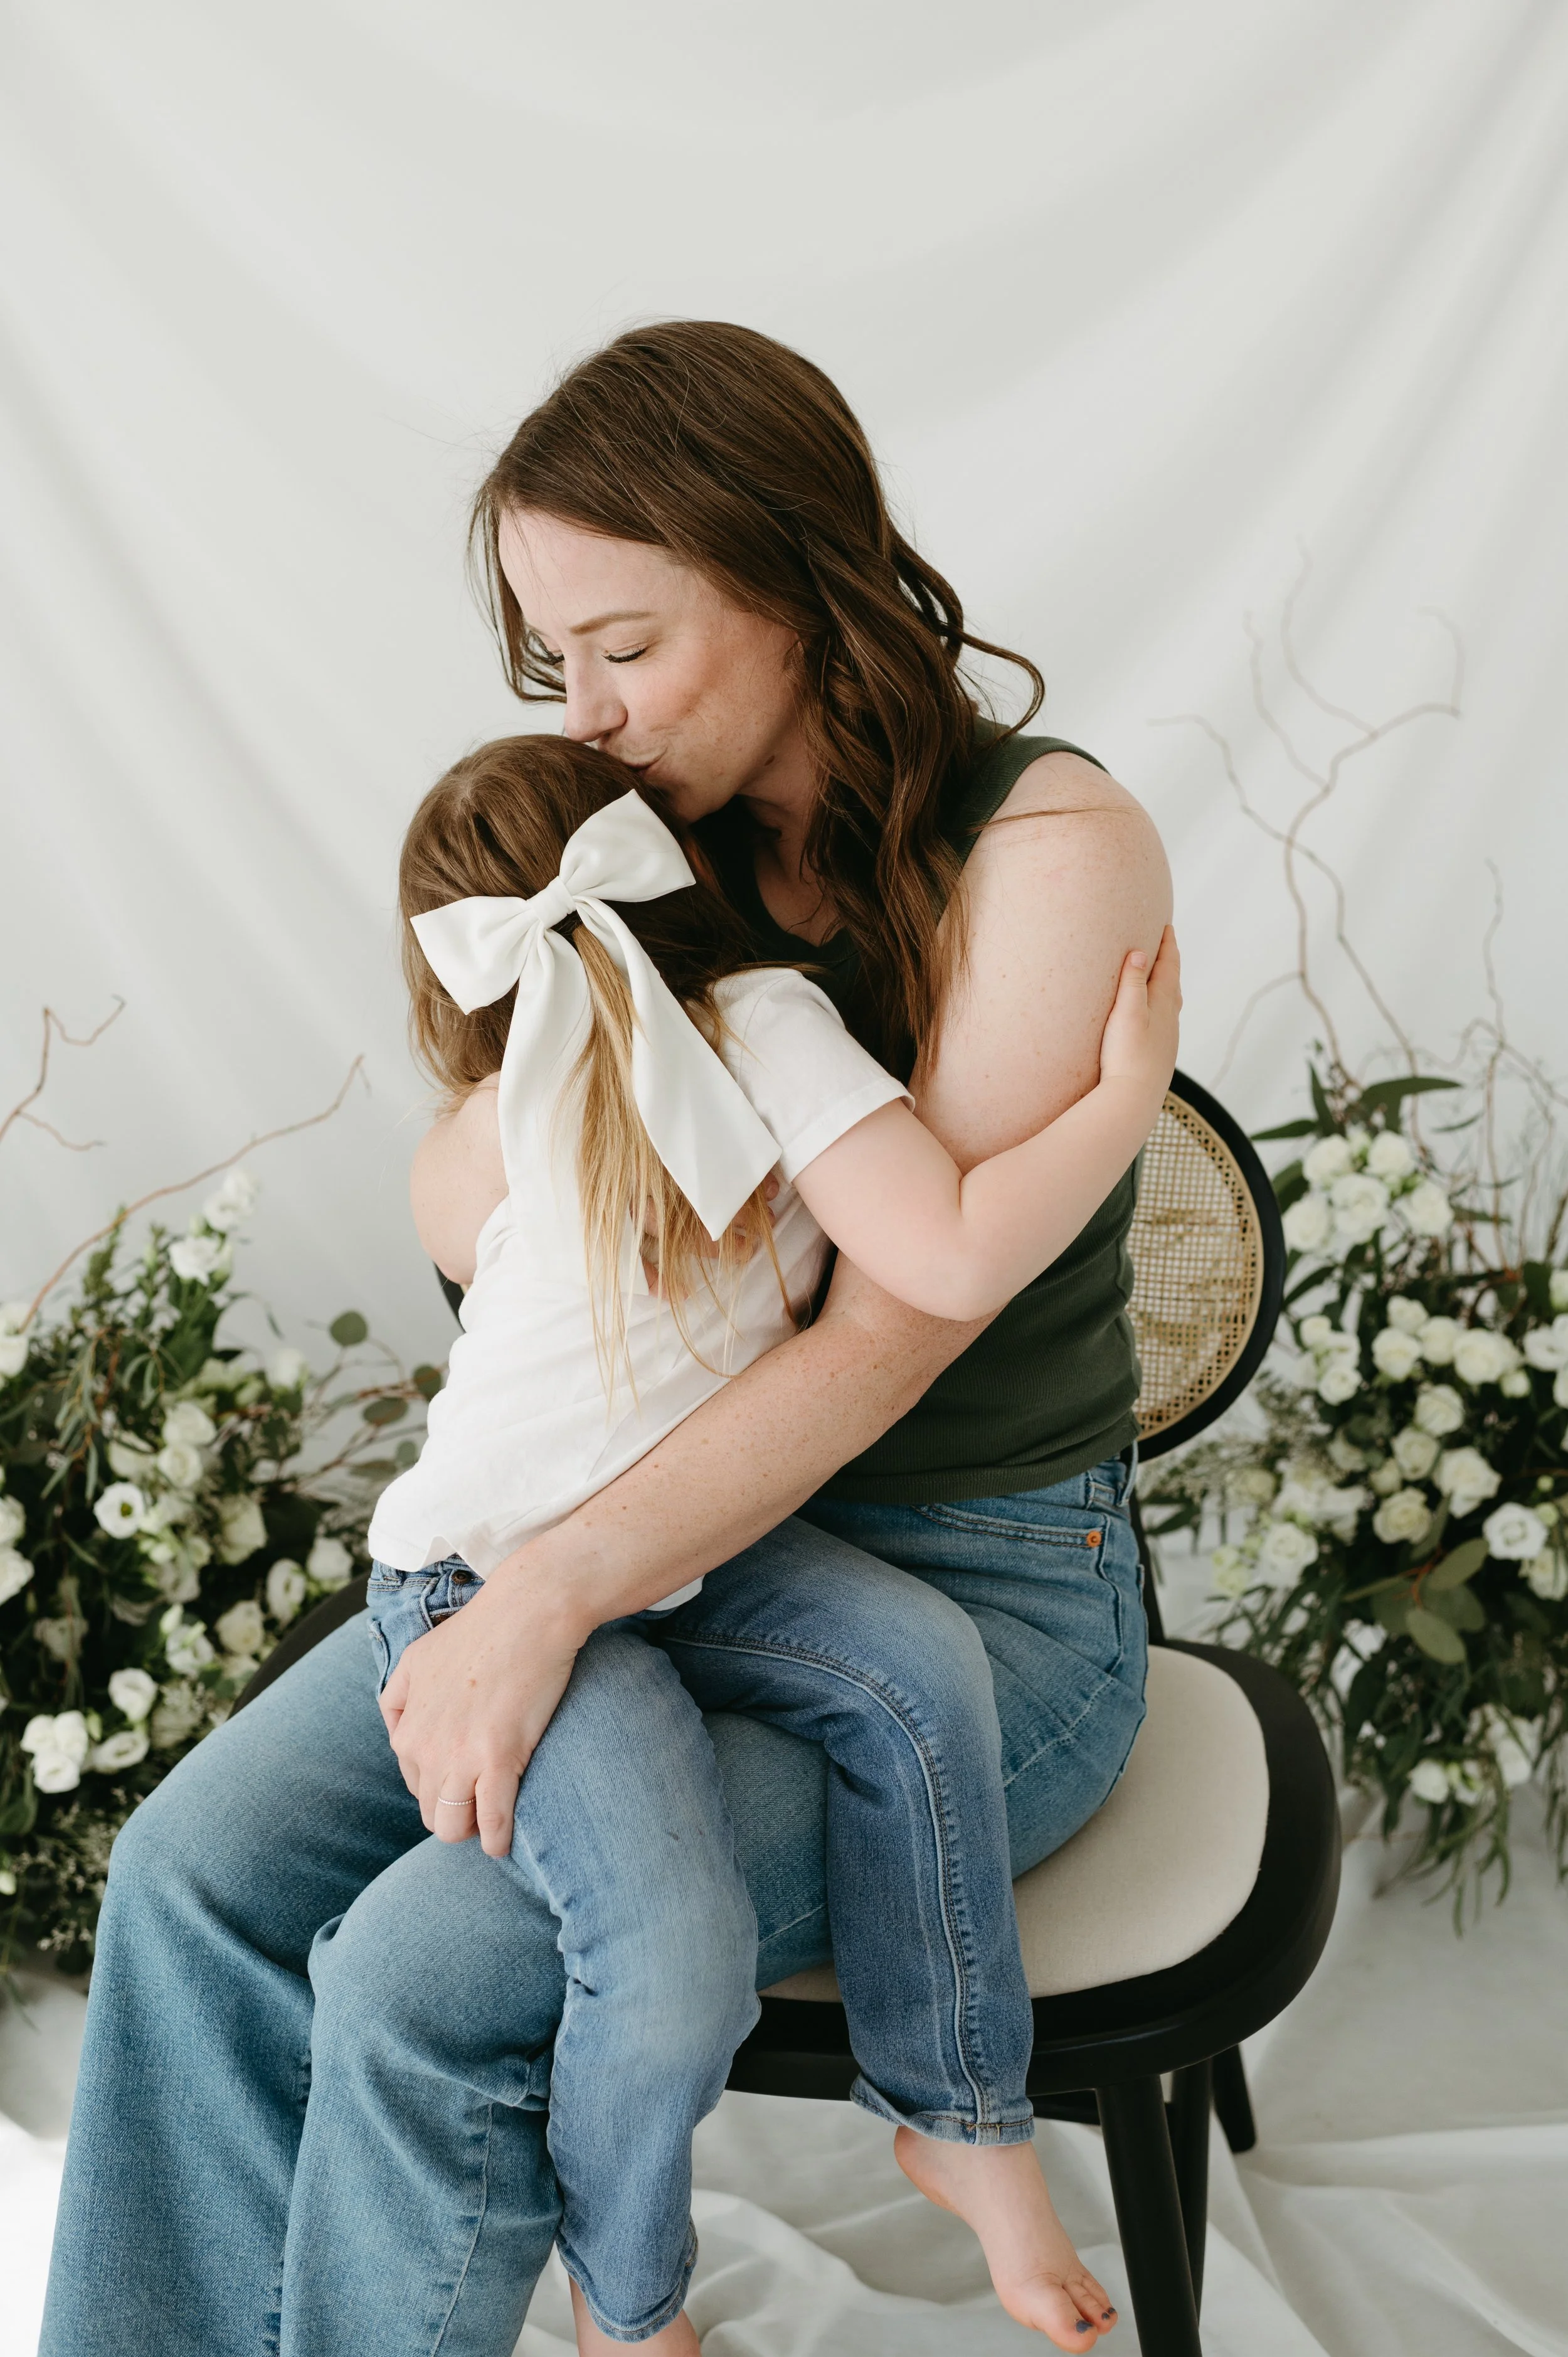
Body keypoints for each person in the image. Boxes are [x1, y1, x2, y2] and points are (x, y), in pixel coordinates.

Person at [41, 321, 1173, 2357]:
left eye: (627, 644)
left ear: (800, 575)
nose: (591, 711)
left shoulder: (1046, 854)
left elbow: (892, 1336)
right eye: (552, 663)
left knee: (418, 1971)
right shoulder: (651, 857)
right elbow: (470, 1227)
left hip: (977, 1607)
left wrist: (546, 1592)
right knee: (191, 1875)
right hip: (679, 1551)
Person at [359, 735, 1177, 2349]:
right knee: (653, 1949)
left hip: (701, 1549)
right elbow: (474, 1245)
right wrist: (1120, 1101)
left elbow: (933, 1265)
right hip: (480, 1571)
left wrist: (1110, 1103)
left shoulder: (761, 1028)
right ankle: (629, 2299)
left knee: (921, 1665)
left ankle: (959, 2117)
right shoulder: (540, 1086)